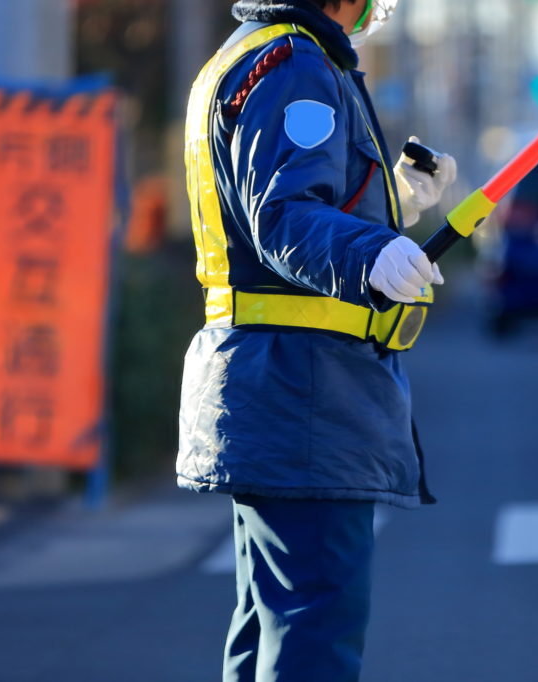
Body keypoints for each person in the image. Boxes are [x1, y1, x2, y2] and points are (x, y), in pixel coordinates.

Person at [176, 1, 457, 680]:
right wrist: (371, 253)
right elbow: (283, 215)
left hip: (276, 384)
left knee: (272, 624)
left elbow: (280, 204)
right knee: (311, 631)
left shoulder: (251, 54)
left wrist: (394, 199)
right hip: (303, 392)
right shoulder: (295, 63)